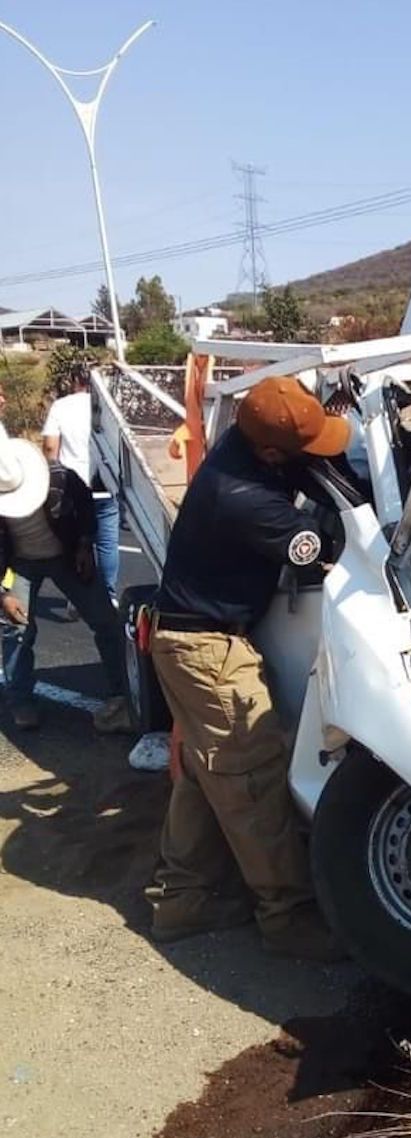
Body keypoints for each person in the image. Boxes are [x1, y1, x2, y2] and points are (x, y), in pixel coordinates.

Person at [146, 375, 351, 961]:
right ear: (269, 451)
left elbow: (300, 458)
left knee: (209, 777)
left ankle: (182, 902)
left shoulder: (245, 446)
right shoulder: (246, 500)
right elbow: (319, 547)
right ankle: (287, 916)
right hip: (208, 651)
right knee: (252, 779)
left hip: (189, 641)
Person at [0, 407, 130, 733]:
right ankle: (21, 701)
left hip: (65, 555)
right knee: (15, 630)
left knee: (105, 621)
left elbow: (87, 507)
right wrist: (2, 593)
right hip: (18, 564)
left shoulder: (59, 477)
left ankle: (123, 693)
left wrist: (85, 545)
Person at [41, 368, 120, 605]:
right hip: (104, 482)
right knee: (107, 542)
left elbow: (50, 447)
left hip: (72, 486)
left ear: (74, 380)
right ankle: (109, 595)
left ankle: (77, 595)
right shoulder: (109, 407)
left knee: (74, 540)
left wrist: (51, 477)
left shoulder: (61, 406)